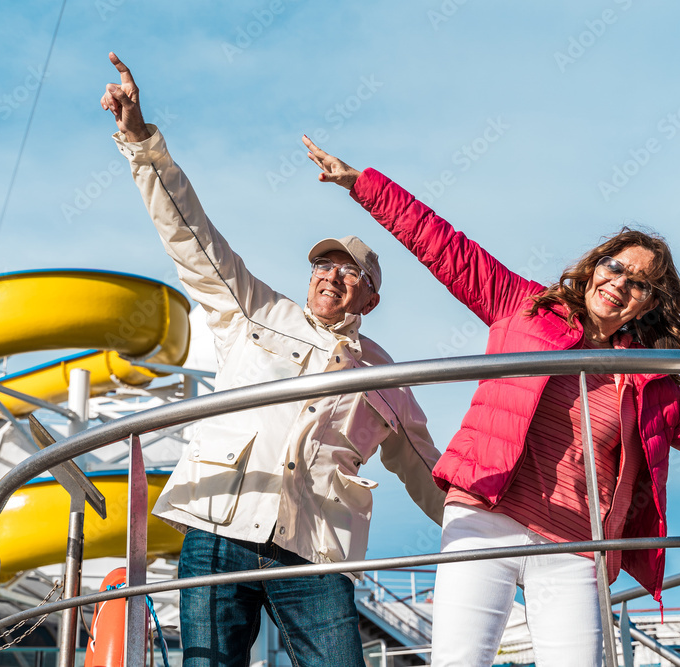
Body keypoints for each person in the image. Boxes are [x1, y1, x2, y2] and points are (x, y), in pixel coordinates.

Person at [303, 136, 680, 666]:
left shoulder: (652, 383)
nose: (621, 285)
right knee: (459, 660)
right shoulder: (521, 306)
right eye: (616, 268)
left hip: (576, 543)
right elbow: (442, 243)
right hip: (485, 511)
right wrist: (362, 185)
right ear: (594, 266)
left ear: (649, 305)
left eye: (641, 284)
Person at [101, 54, 446, 667]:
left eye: (350, 270)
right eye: (323, 265)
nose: (332, 276)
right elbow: (190, 234)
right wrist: (140, 141)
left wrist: (509, 547)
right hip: (218, 526)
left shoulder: (387, 378)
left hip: (313, 548)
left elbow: (431, 476)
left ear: (371, 294)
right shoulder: (254, 310)